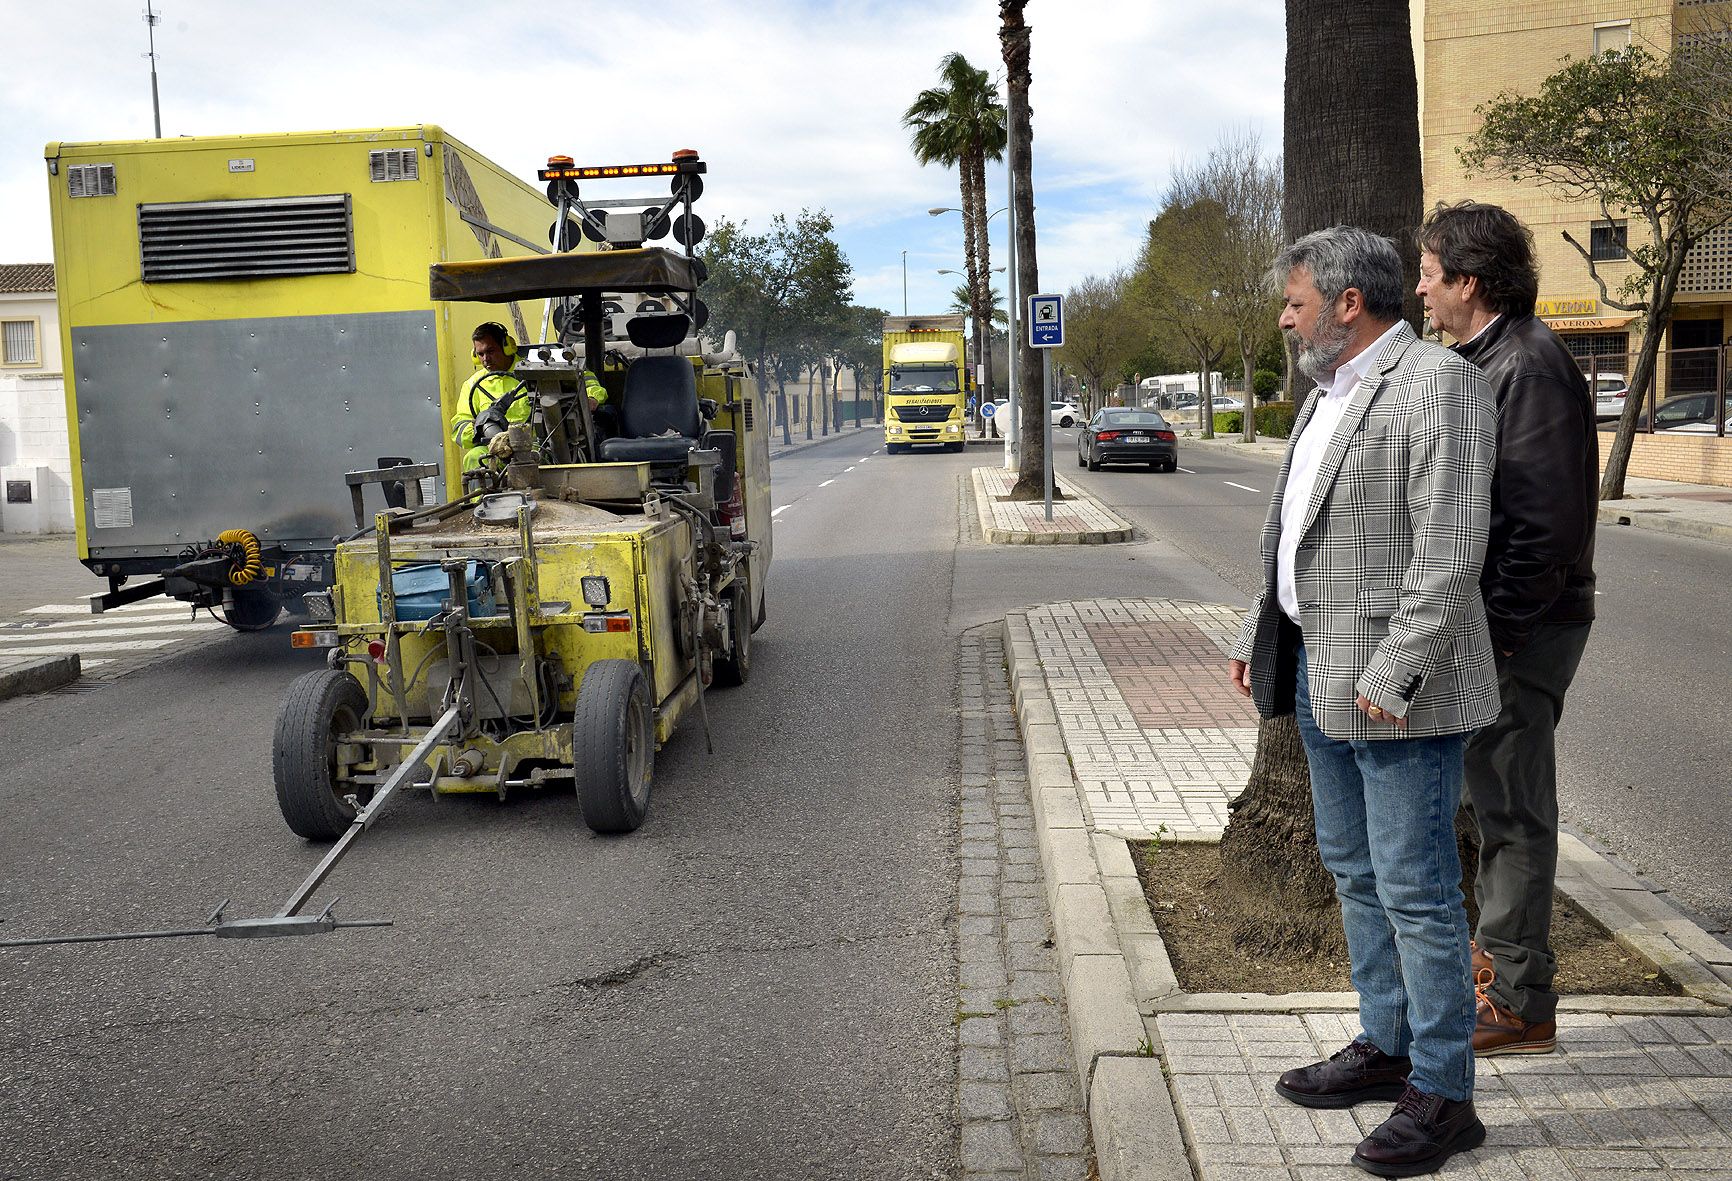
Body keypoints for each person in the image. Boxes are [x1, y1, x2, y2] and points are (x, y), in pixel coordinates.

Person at [1227, 225, 1499, 1177]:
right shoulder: (1326, 393)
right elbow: (1294, 534)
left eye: (1295, 301)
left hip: (1397, 694)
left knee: (1418, 888)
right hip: (1317, 673)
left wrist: (1395, 670)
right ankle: (1387, 1043)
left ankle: (1445, 1091)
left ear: (1348, 302)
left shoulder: (1439, 382)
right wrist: (1262, 631)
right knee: (1352, 868)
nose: (1284, 317)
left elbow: (1450, 549)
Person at [1416, 202, 1598, 1058]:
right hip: (1497, 627)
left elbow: (1541, 528)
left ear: (1469, 281)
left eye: (1429, 273)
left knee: (1513, 809)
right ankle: (1497, 973)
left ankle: (1521, 1003)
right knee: (1487, 801)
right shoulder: (1485, 360)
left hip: (1521, 630)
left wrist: (1496, 638)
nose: (1420, 288)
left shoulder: (1527, 364)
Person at [451, 321, 607, 471]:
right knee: (474, 457)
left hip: (539, 447)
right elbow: (460, 427)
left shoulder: (535, 369)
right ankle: (485, 491)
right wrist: (481, 429)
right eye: (480, 354)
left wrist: (591, 398)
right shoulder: (472, 385)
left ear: (507, 347)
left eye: (490, 351)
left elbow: (585, 378)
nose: (485, 359)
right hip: (497, 451)